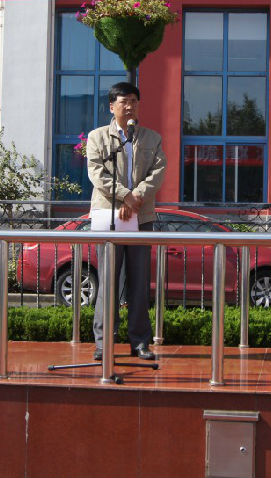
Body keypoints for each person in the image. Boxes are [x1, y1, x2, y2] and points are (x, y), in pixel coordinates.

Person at [86, 82, 167, 361]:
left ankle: (140, 342)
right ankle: (103, 342)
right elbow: (97, 173)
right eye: (124, 101)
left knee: (139, 282)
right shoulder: (97, 137)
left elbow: (158, 171)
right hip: (108, 216)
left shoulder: (151, 138)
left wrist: (136, 198)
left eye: (134, 101)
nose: (129, 106)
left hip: (140, 217)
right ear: (112, 106)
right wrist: (124, 196)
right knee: (107, 281)